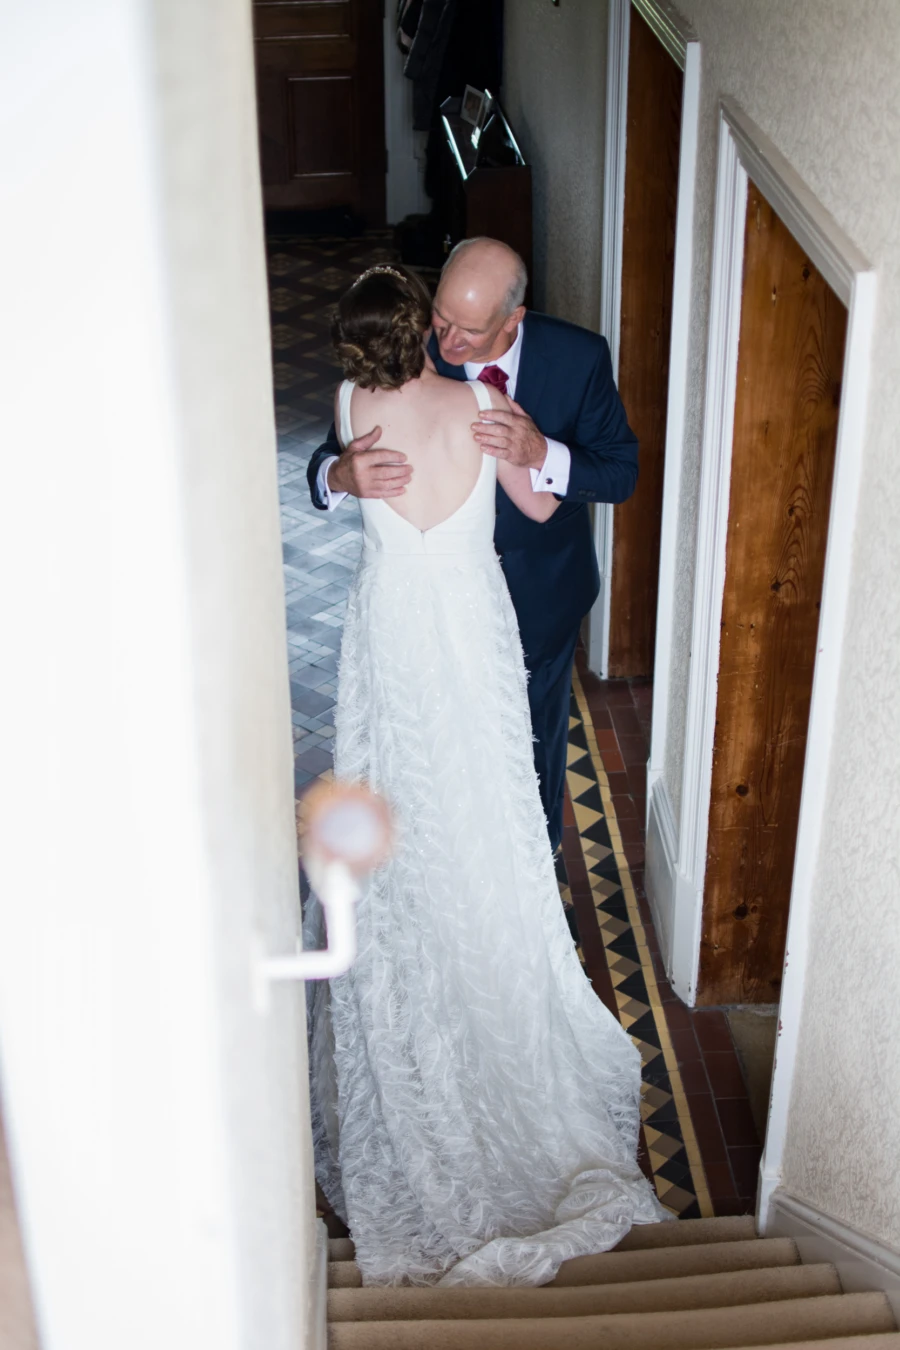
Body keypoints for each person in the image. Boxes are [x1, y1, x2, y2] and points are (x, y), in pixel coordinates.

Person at [304, 262, 667, 1289]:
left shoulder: (350, 402)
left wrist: (536, 449)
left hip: (394, 642)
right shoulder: (480, 407)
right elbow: (540, 518)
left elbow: (581, 485)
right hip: (469, 637)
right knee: (488, 804)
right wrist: (510, 453)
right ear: (428, 329)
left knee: (400, 804)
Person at [306, 237, 638, 854]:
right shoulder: (403, 345)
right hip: (416, 610)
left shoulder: (578, 357)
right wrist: (339, 477)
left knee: (527, 740)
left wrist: (543, 454)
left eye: (469, 332)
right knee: (423, 741)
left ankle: (533, 864)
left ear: (514, 320)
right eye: (441, 319)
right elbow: (331, 452)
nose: (447, 343)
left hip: (540, 593)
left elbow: (620, 472)